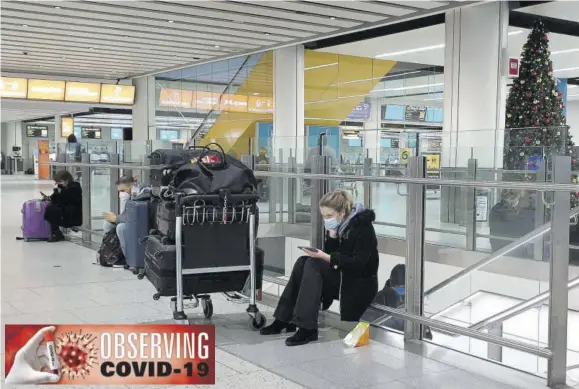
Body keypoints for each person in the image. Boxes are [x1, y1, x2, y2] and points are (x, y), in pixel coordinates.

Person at [260, 190, 379, 346]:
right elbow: (332, 255)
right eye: (323, 216)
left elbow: (358, 264)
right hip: (342, 276)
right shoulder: (340, 226)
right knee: (303, 261)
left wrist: (325, 257)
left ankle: (307, 328)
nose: (326, 220)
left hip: (357, 283)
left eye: (329, 216)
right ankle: (283, 319)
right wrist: (332, 236)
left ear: (342, 212)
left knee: (313, 263)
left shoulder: (363, 228)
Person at [102, 175, 141, 256]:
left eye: (123, 190)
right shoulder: (128, 198)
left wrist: (116, 218)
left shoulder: (140, 196)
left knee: (121, 227)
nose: (121, 194)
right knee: (107, 224)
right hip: (130, 221)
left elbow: (132, 217)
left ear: (132, 187)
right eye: (119, 191)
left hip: (139, 223)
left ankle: (128, 257)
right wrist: (115, 217)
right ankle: (112, 252)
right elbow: (125, 215)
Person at [43, 170, 82, 242]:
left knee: (52, 210)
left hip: (72, 212)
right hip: (64, 209)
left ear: (67, 180)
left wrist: (58, 195)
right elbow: (57, 199)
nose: (58, 183)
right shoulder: (61, 187)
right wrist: (52, 197)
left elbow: (66, 200)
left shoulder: (75, 187)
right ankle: (56, 232)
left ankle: (56, 233)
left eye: (60, 181)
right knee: (51, 209)